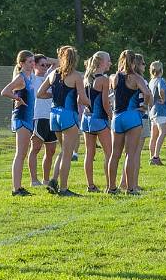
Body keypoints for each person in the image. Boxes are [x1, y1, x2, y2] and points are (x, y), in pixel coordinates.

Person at [37, 46, 90, 196]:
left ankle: (53, 180)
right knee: (68, 153)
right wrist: (91, 105)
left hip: (54, 114)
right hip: (68, 115)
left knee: (63, 151)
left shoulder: (53, 73)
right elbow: (83, 99)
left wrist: (53, 97)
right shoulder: (76, 76)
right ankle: (64, 189)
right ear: (74, 60)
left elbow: (40, 93)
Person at [107, 50, 151, 195]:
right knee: (130, 154)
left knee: (114, 155)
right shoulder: (136, 77)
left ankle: (111, 187)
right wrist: (144, 106)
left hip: (116, 118)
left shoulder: (114, 77)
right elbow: (147, 93)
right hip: (132, 117)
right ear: (133, 62)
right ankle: (131, 188)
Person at [0, 50, 36, 196]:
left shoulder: (30, 77)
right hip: (21, 117)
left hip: (28, 118)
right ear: (21, 64)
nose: (32, 64)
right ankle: (16, 189)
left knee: (23, 153)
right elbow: (4, 91)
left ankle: (19, 187)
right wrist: (17, 98)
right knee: (20, 154)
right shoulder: (20, 78)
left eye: (33, 61)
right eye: (29, 61)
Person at [81, 51, 112, 192]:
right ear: (100, 62)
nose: (110, 63)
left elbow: (80, 100)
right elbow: (105, 103)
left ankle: (90, 185)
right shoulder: (104, 80)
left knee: (89, 153)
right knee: (109, 153)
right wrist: (112, 116)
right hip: (99, 118)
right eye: (108, 61)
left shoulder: (86, 78)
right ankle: (110, 186)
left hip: (86, 118)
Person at [120, 54, 151, 192]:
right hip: (139, 117)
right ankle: (133, 184)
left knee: (127, 153)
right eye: (143, 63)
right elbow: (149, 96)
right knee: (135, 154)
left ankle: (123, 182)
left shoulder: (123, 78)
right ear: (137, 64)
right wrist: (144, 106)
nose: (145, 65)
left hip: (123, 117)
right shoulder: (140, 80)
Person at [28, 54, 57, 186]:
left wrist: (47, 60)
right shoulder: (31, 78)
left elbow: (60, 62)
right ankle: (34, 180)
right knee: (35, 148)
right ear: (34, 65)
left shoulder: (49, 76)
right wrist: (34, 59)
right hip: (39, 117)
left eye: (47, 65)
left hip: (51, 117)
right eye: (42, 65)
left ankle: (46, 180)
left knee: (51, 150)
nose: (46, 67)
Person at [148, 60, 166, 165]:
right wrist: (163, 99)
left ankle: (152, 157)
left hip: (152, 111)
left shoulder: (151, 81)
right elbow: (161, 90)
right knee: (164, 132)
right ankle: (156, 157)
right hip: (161, 110)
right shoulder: (161, 80)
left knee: (154, 136)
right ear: (161, 70)